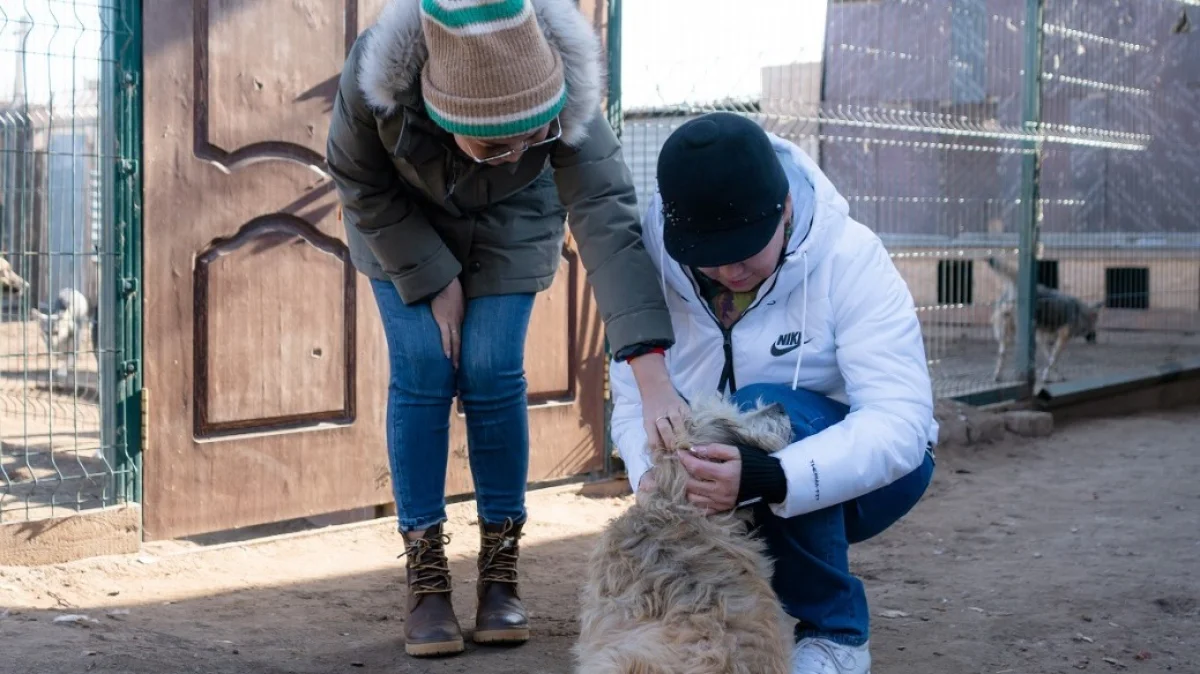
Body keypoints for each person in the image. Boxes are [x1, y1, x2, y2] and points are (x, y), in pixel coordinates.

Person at [326, 0, 687, 658]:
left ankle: (500, 567)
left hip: (514, 214)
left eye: (534, 134)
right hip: (400, 217)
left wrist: (650, 370)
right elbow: (358, 178)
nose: (519, 150)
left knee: (491, 367)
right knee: (425, 365)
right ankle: (427, 574)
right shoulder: (377, 76)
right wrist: (432, 277)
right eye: (497, 141)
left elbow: (606, 216)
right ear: (439, 109)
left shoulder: (564, 92)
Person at [608, 112, 939, 674]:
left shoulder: (849, 256)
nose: (728, 270)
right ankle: (711, 623)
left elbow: (901, 422)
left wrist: (774, 476)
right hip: (725, 478)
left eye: (744, 251)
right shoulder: (655, 261)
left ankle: (835, 635)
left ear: (784, 208)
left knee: (758, 407)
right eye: (708, 254)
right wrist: (647, 471)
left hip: (873, 479)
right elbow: (636, 396)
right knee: (696, 444)